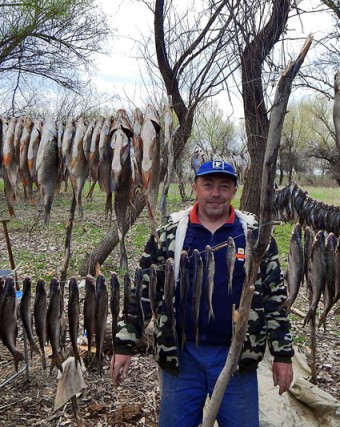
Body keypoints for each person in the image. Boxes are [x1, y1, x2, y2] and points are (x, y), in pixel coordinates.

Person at [111, 160, 294, 426]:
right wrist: (124, 343)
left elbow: (275, 296)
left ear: (234, 192)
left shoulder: (254, 235)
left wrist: (283, 354)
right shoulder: (170, 235)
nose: (215, 193)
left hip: (236, 358)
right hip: (182, 358)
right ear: (195, 188)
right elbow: (142, 290)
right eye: (208, 185)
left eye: (224, 186)